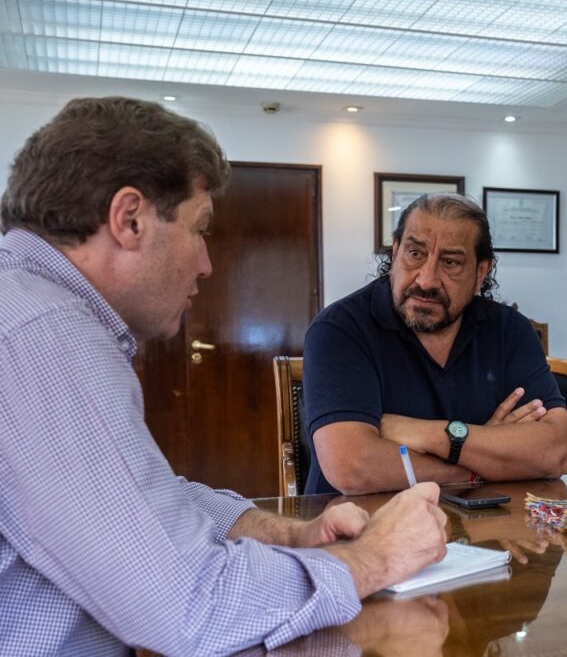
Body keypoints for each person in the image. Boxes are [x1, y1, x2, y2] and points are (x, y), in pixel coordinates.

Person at [0, 97, 449, 656]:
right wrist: (372, 558)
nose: (206, 264)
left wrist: (291, 533)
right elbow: (190, 606)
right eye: (200, 229)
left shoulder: (29, 312)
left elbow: (144, 499)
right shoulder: (42, 334)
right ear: (129, 218)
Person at [302, 193, 567, 495]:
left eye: (450, 262)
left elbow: (552, 452)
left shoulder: (510, 330)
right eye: (415, 254)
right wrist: (480, 463)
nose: (426, 280)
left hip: (485, 521)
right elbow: (353, 468)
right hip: (359, 521)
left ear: (481, 272)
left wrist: (430, 435)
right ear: (395, 252)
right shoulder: (340, 329)